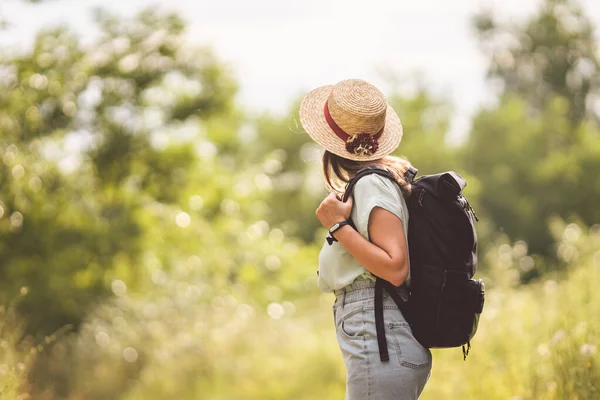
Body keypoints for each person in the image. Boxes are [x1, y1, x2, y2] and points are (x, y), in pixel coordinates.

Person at [299, 78, 432, 399]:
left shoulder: (371, 184)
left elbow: (395, 266)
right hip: (380, 333)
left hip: (380, 335)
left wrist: (338, 227)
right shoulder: (374, 183)